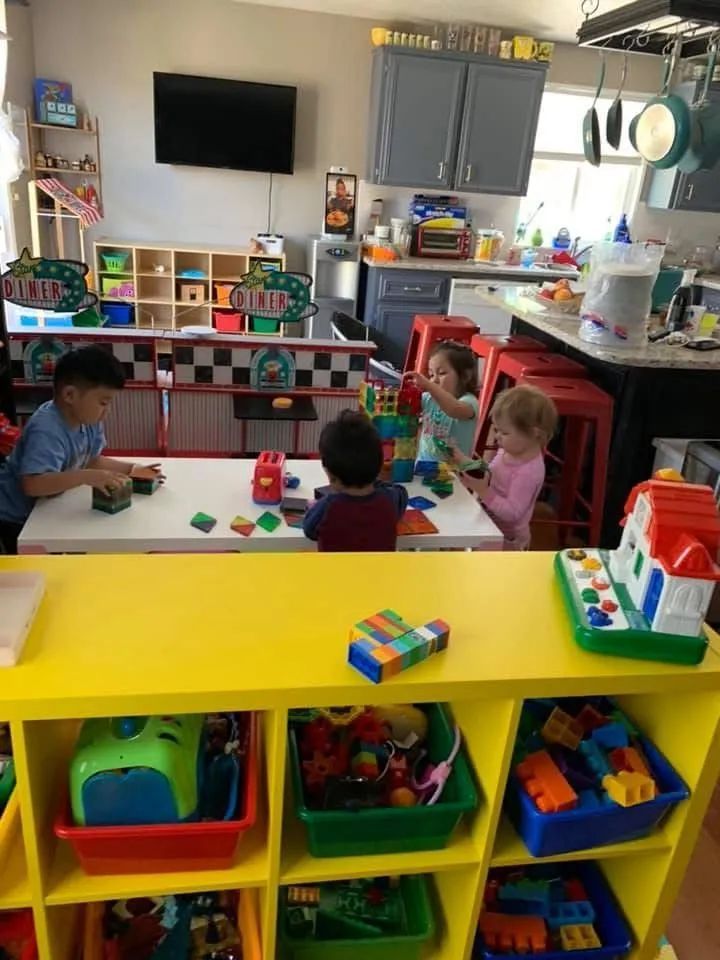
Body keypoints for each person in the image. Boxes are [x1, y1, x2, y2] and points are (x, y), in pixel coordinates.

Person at [0, 346, 163, 554]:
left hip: (47, 511)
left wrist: (132, 469)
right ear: (70, 395)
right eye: (103, 402)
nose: (108, 410)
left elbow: (92, 460)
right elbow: (33, 484)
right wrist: (87, 477)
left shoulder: (88, 418)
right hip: (16, 519)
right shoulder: (47, 429)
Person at [455, 385, 557, 551]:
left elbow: (512, 513)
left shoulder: (529, 472)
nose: (497, 437)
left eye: (504, 433)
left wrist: (483, 492)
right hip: (488, 526)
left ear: (534, 434)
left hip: (506, 541)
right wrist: (464, 461)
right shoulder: (509, 450)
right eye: (496, 430)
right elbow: (491, 474)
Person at [303, 410, 408, 552]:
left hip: (334, 574)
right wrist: (376, 481)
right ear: (378, 465)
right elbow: (402, 492)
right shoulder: (390, 498)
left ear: (330, 475)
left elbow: (309, 529)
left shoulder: (327, 506)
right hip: (380, 574)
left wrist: (316, 505)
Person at [406, 341, 479, 464]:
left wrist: (428, 385)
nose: (434, 380)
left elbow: (453, 409)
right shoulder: (428, 398)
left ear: (465, 376)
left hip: (454, 475)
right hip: (423, 467)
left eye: (441, 373)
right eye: (431, 374)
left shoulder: (469, 402)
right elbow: (406, 408)